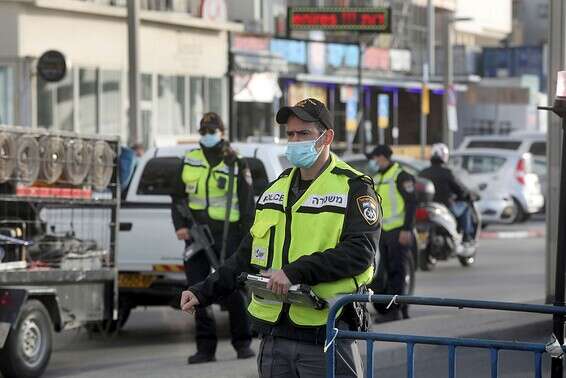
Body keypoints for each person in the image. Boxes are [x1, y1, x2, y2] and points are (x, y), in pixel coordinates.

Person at [180, 98, 381, 377]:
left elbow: (360, 253)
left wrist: (294, 272)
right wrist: (203, 291)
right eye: (290, 134)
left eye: (304, 134)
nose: (295, 141)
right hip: (275, 338)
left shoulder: (354, 187)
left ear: (327, 137)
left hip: (327, 333)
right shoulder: (277, 189)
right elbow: (248, 256)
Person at [171, 112, 255, 364]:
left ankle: (243, 343)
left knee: (231, 287)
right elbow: (177, 197)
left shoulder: (235, 161)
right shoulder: (190, 159)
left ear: (221, 132)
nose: (207, 135)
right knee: (196, 290)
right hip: (196, 234)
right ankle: (205, 349)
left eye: (212, 130)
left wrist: (246, 240)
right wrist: (180, 226)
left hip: (228, 235)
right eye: (204, 131)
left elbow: (247, 203)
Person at [366, 145, 417, 322]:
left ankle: (396, 311)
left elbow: (411, 203)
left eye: (375, 158)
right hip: (383, 232)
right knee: (386, 272)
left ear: (383, 157)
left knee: (398, 272)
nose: (373, 161)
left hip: (398, 231)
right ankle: (395, 309)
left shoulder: (400, 176)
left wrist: (407, 229)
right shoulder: (379, 177)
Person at [419, 143, 474, 242]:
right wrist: (469, 195)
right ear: (445, 156)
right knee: (465, 207)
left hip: (425, 206)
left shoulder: (423, 172)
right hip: (445, 206)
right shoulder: (447, 173)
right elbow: (460, 189)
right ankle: (467, 236)